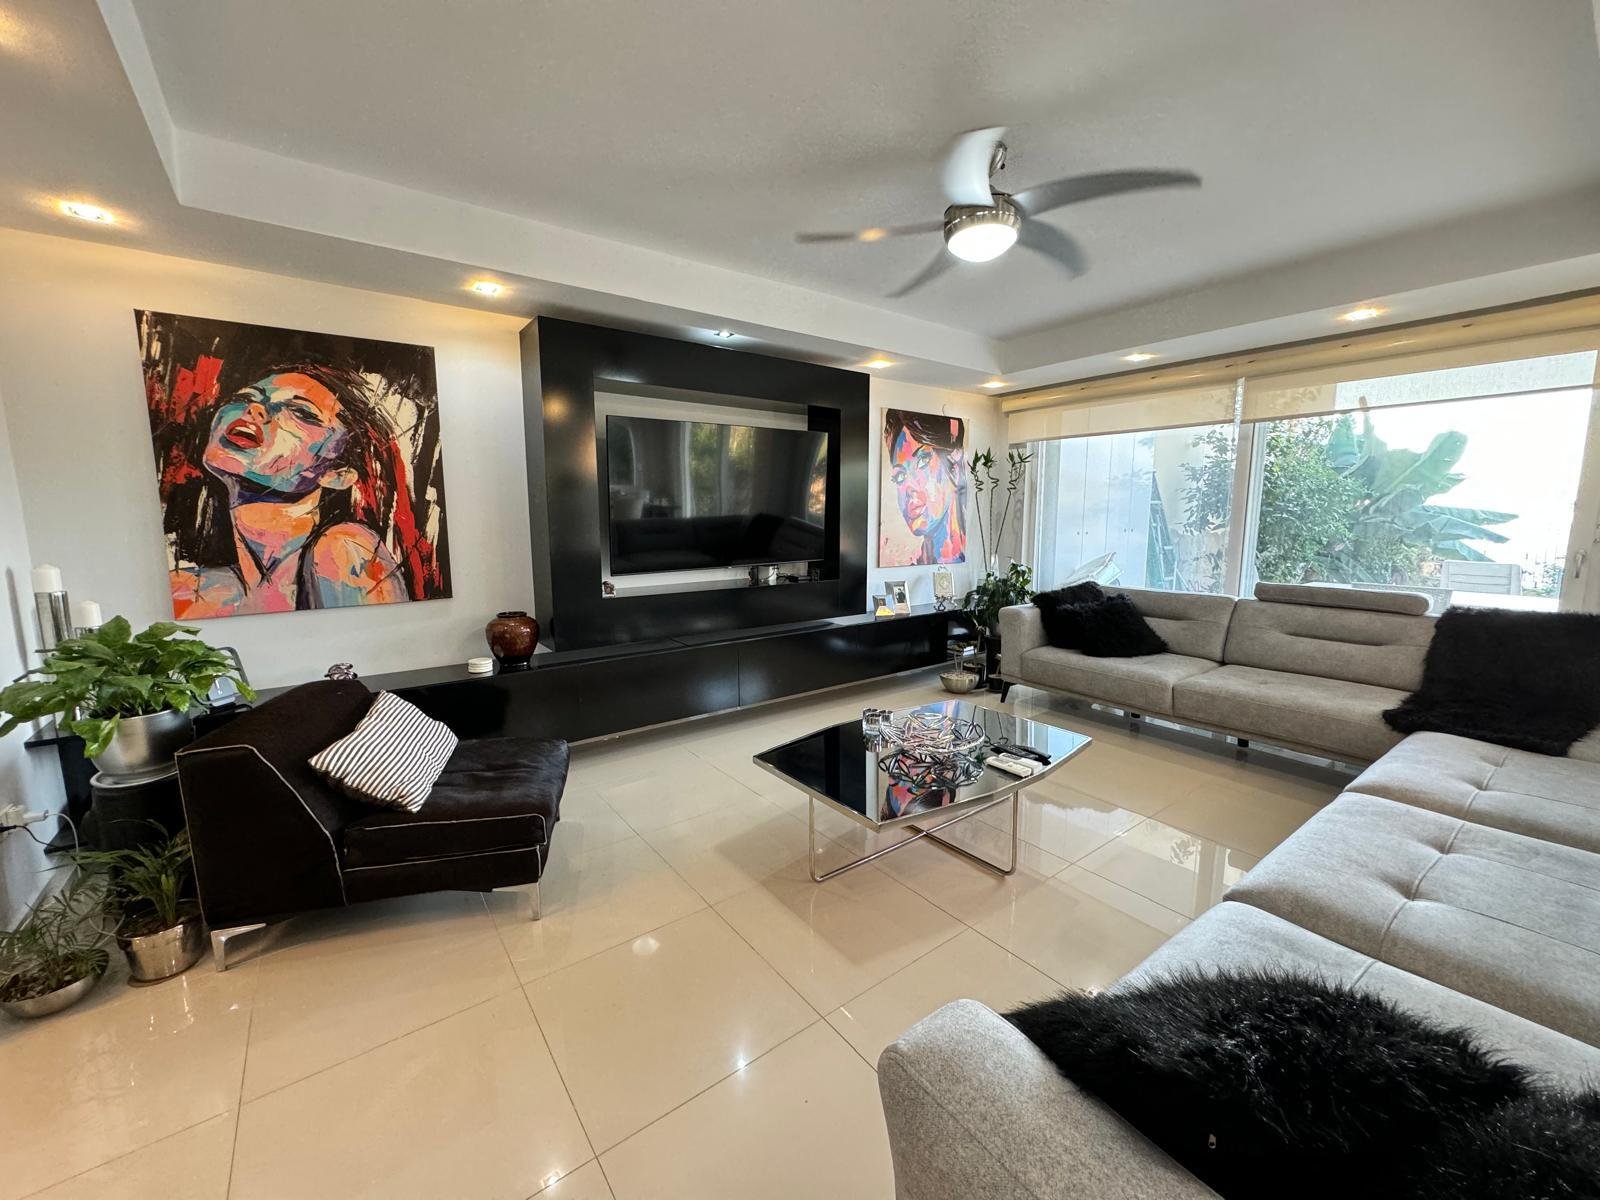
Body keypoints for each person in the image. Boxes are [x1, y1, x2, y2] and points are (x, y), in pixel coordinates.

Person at [168, 360, 417, 616]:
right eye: (244, 398)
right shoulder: (185, 594)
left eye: (302, 412)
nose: (255, 409)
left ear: (337, 474)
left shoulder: (346, 551)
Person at [884, 410, 967, 565]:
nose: (909, 488)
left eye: (922, 461)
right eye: (900, 476)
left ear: (954, 466)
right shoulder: (912, 567)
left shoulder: (972, 558)